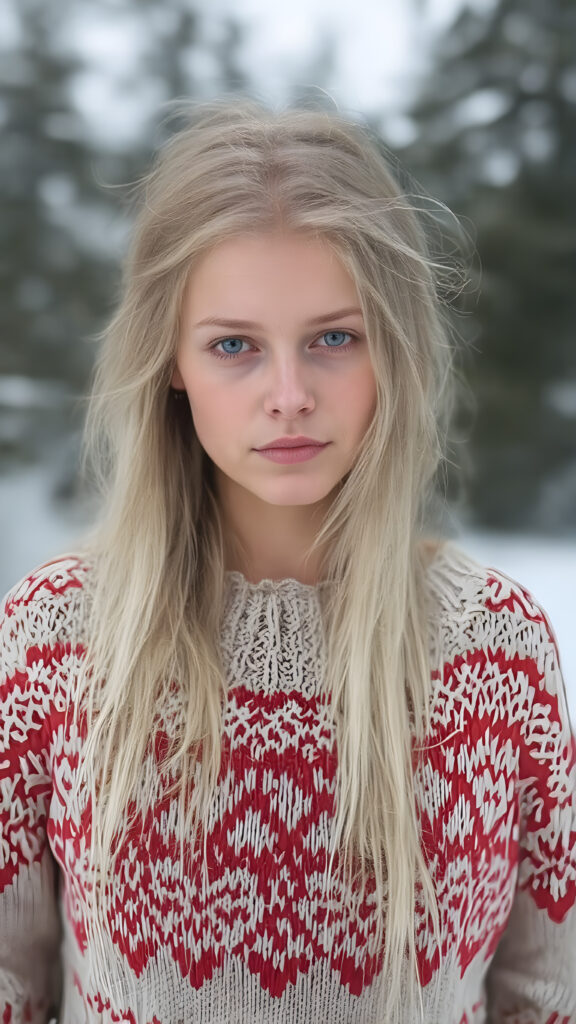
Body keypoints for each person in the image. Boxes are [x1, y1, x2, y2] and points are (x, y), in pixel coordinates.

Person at [0, 98, 574, 1024]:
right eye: (235, 346)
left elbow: (551, 990)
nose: (291, 396)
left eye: (334, 339)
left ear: (393, 347)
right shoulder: (57, 637)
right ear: (172, 361)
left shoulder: (494, 648)